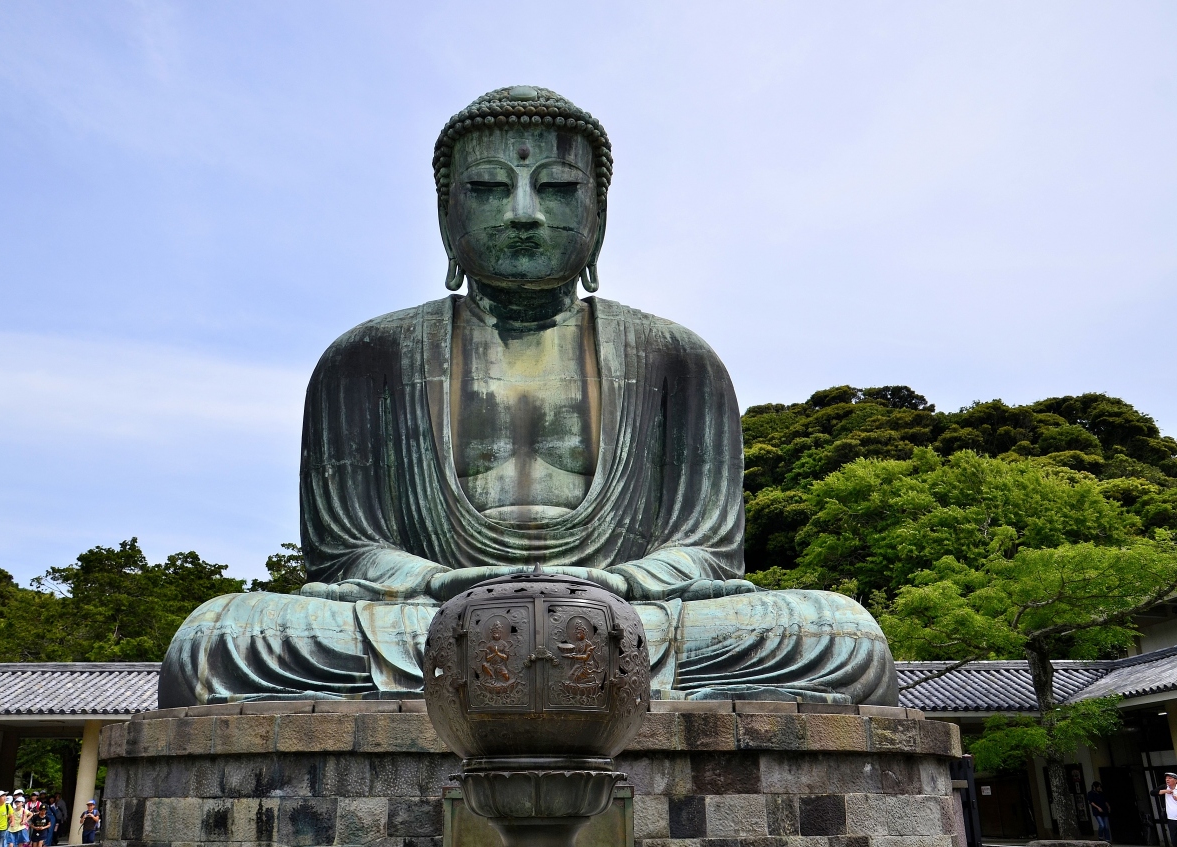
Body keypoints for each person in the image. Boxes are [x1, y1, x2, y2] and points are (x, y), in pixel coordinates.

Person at [158, 84, 899, 708]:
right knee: (217, 640)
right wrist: (439, 580)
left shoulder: (679, 359)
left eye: (556, 188)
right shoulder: (365, 360)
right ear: (446, 215)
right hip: (432, 619)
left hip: (623, 617)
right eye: (486, 188)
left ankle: (541, 661)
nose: (521, 211)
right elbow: (346, 556)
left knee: (842, 636)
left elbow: (706, 554)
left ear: (599, 213)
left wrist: (618, 583)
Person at [1154, 772, 1177, 843]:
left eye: (1170, 778)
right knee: (1174, 838)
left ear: (1175, 780)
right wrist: (1165, 791)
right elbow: (1153, 792)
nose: (1167, 780)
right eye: (1166, 778)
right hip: (1171, 818)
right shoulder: (1164, 787)